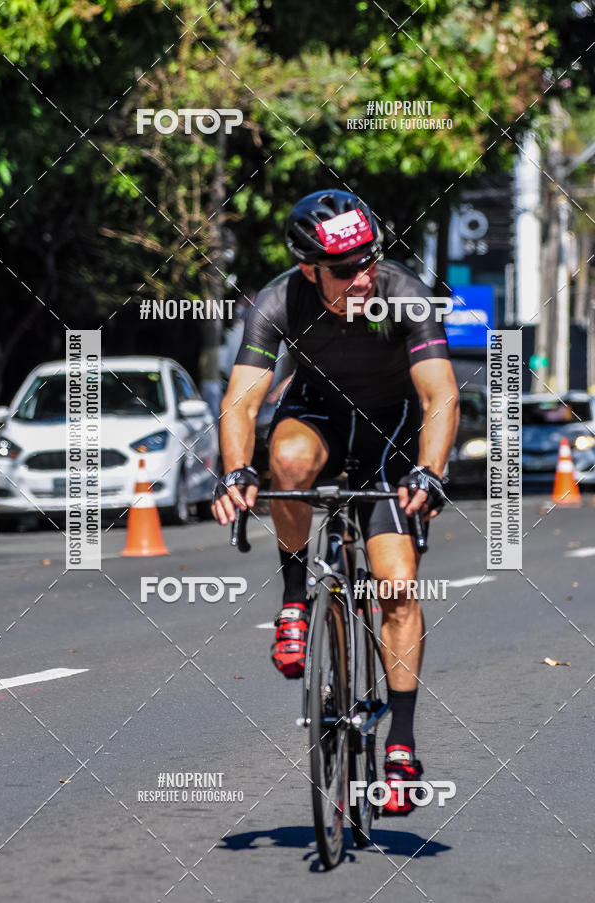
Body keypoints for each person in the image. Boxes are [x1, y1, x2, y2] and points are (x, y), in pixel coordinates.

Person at [212, 189, 459, 815]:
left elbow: (439, 396)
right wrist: (235, 470)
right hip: (316, 417)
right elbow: (242, 399)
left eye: (369, 260)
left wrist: (429, 473)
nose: (363, 277)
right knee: (287, 462)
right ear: (308, 269)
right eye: (346, 270)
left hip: (391, 436)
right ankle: (296, 602)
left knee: (397, 589)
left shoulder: (404, 294)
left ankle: (400, 745)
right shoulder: (278, 302)